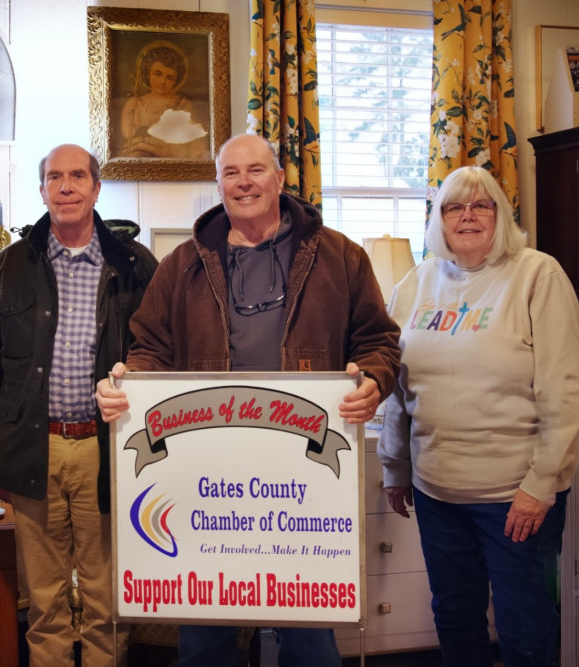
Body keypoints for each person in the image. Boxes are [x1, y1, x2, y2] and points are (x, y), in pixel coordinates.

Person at [95, 133, 402, 666]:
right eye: (230, 173)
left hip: (303, 481)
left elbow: (379, 342)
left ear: (280, 179)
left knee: (309, 642)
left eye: (255, 170)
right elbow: (150, 349)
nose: (243, 183)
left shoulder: (340, 257)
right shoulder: (182, 264)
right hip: (208, 478)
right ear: (218, 186)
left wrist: (373, 379)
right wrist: (129, 384)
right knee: (204, 638)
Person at [378, 166, 579, 667]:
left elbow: (566, 389)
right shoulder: (416, 282)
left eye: (481, 205)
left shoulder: (537, 274)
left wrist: (542, 484)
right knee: (454, 616)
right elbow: (397, 387)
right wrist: (395, 466)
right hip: (437, 493)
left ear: (501, 214)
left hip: (515, 497)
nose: (467, 216)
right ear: (439, 219)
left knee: (526, 625)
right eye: (454, 206)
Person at [0, 144, 158, 667]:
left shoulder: (133, 264)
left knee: (106, 596)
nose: (65, 186)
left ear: (96, 188)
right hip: (35, 448)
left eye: (77, 176)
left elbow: (159, 353)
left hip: (107, 450)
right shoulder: (11, 264)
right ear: (42, 190)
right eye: (54, 177)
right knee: (44, 599)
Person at [119, 40, 208, 159]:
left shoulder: (182, 104)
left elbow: (193, 138)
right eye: (158, 74)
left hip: (172, 154)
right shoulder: (137, 103)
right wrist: (127, 113)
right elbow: (129, 135)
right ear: (148, 73)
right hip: (142, 152)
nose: (162, 81)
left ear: (176, 81)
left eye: (169, 78)